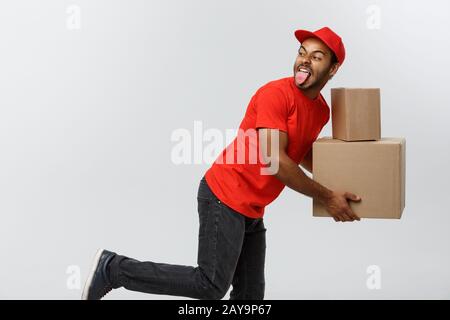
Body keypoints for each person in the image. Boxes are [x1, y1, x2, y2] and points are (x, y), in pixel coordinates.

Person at [81, 26, 361, 301]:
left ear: (333, 69)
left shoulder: (321, 109)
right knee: (210, 285)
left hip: (253, 207)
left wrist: (339, 187)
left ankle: (112, 269)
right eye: (302, 53)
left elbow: (300, 152)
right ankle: (112, 268)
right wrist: (327, 197)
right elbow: (275, 161)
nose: (304, 60)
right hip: (225, 196)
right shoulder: (275, 94)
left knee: (249, 297)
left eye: (316, 56)